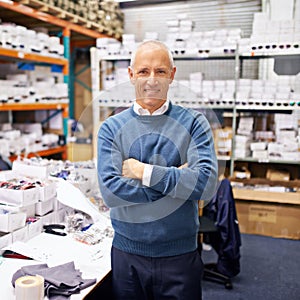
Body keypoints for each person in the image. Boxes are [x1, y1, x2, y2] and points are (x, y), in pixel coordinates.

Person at [97, 40, 218, 300]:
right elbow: (111, 193)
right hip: (127, 254)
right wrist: (178, 180)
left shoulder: (194, 123)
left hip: (180, 256)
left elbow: (206, 184)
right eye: (143, 71)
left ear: (172, 75)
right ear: (131, 75)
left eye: (160, 71)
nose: (152, 80)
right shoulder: (111, 128)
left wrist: (142, 171)